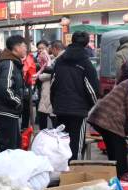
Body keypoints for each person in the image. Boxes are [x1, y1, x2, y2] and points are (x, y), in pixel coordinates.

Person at [87, 66, 128, 182]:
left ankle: (114, 172)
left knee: (113, 146)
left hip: (102, 116)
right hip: (111, 118)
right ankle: (123, 173)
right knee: (120, 146)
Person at [50, 31, 100, 162]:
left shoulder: (60, 61)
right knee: (76, 144)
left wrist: (55, 104)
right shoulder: (86, 63)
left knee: (61, 142)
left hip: (60, 108)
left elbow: (53, 84)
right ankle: (72, 172)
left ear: (71, 41)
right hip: (78, 110)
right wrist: (89, 107)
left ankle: (60, 169)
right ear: (86, 43)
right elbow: (93, 90)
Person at [0, 35, 27, 153]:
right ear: (16, 48)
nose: (26, 49)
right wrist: (18, 102)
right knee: (8, 146)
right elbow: (5, 88)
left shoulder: (12, 62)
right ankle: (2, 171)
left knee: (13, 145)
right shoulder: (9, 63)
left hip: (7, 110)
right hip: (5, 110)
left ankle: (8, 169)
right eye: (24, 46)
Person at [36, 40, 65, 130]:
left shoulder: (59, 59)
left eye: (43, 48)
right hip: (47, 92)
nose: (41, 50)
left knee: (52, 120)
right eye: (39, 48)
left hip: (50, 92)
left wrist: (39, 75)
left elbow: (50, 73)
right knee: (46, 117)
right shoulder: (52, 58)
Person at [21, 43, 37, 131]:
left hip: (28, 85)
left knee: (26, 108)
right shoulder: (19, 59)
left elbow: (32, 72)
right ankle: (24, 126)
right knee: (23, 108)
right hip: (22, 86)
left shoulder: (31, 58)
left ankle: (25, 127)